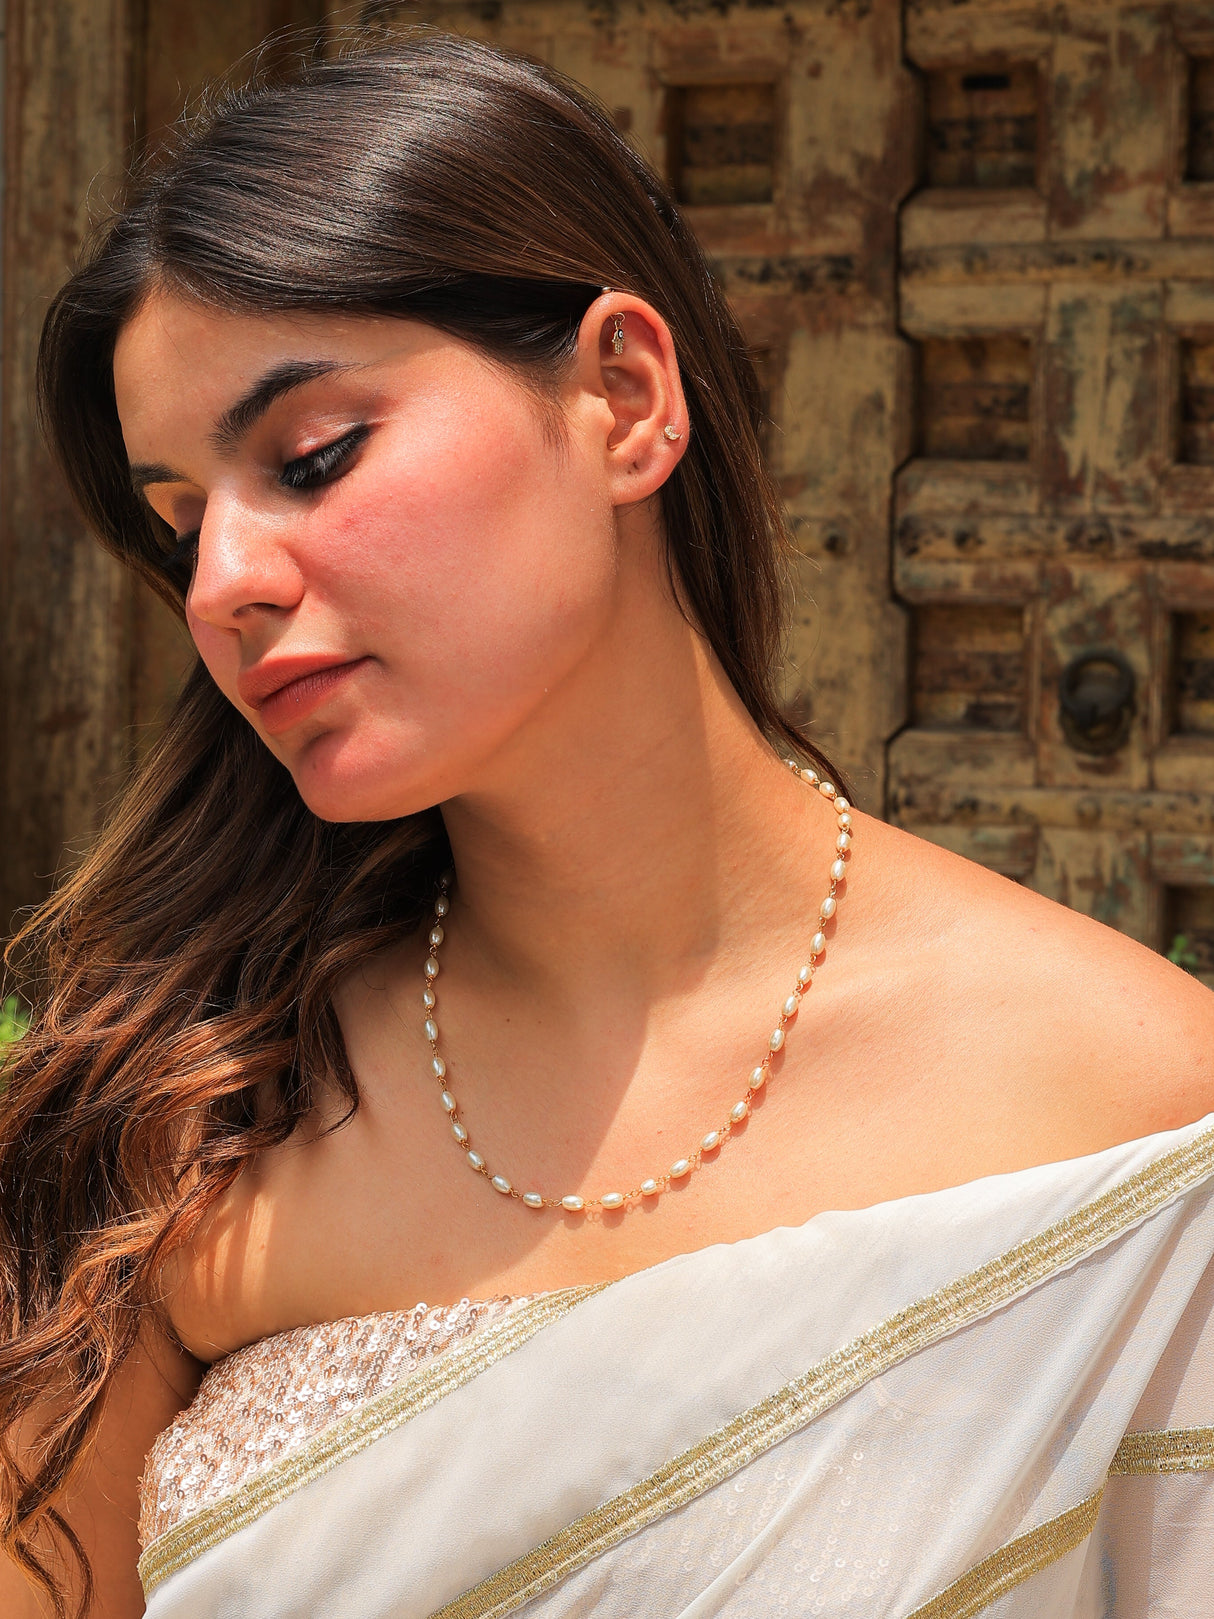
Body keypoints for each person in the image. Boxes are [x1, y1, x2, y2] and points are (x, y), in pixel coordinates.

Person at [2, 31, 1213, 1619]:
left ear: (623, 398)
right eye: (181, 531)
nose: (223, 583)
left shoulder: (1130, 1108)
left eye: (311, 458)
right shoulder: (183, 1114)